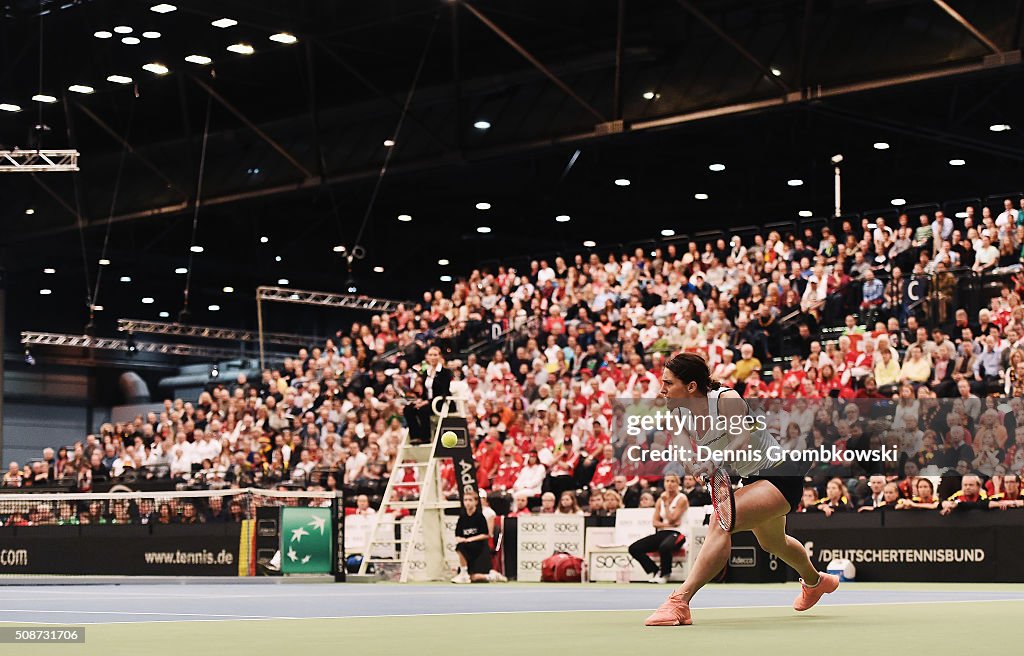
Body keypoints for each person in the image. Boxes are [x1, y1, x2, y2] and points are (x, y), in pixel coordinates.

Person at [644, 353, 838, 627]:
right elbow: (683, 446)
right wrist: (695, 465)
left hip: (781, 472)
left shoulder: (726, 399)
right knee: (773, 542)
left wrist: (714, 461)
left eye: (668, 383)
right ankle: (816, 582)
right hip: (752, 479)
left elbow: (742, 438)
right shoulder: (676, 411)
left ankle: (680, 601)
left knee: (721, 520)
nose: (662, 389)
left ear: (691, 386)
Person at [627, 474, 688, 584]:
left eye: (673, 481)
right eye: (667, 481)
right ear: (664, 483)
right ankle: (654, 570)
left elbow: (672, 518)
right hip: (663, 533)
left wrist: (666, 504)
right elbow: (655, 522)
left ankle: (665, 574)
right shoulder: (661, 500)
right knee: (634, 548)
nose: (669, 484)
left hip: (678, 533)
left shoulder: (681, 499)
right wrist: (668, 525)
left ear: (678, 484)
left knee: (664, 547)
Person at [451, 489, 507, 584]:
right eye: (465, 500)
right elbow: (457, 535)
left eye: (470, 500)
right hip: (467, 548)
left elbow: (486, 534)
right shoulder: (462, 518)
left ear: (476, 502)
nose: (467, 503)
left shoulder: (480, 517)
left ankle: (490, 575)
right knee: (472, 577)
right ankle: (488, 576)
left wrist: (470, 539)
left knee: (475, 577)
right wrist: (461, 539)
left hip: (480, 549)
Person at [403, 346, 452, 442]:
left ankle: (426, 437)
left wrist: (427, 402)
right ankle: (415, 437)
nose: (433, 357)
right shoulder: (426, 372)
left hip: (440, 402)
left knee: (423, 409)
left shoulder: (445, 372)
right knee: (408, 409)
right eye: (430, 355)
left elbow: (444, 392)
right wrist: (420, 400)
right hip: (427, 402)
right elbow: (425, 392)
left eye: (435, 355)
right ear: (427, 357)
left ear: (440, 356)